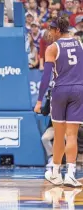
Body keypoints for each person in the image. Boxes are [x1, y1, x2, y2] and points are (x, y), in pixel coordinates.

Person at [34, 17, 83, 188]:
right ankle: (70, 174)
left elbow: (46, 77)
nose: (48, 33)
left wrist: (39, 101)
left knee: (59, 135)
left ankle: (55, 172)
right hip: (79, 90)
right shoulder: (80, 44)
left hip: (60, 90)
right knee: (72, 135)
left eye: (50, 29)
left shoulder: (52, 48)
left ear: (56, 30)